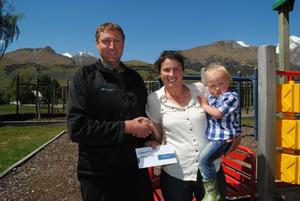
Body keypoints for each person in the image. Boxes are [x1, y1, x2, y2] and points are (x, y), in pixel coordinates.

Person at [66, 22, 154, 201]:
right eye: (106, 41)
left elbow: (143, 116)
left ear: (124, 44)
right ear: (97, 44)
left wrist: (150, 140)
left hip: (135, 172)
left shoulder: (135, 78)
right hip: (99, 174)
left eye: (117, 41)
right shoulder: (84, 77)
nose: (112, 46)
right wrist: (125, 127)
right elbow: (77, 128)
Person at [146, 50, 229, 201]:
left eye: (176, 69)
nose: (171, 74)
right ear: (160, 73)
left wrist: (232, 135)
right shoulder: (154, 99)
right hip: (176, 172)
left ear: (183, 71)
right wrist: (152, 143)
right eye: (166, 70)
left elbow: (222, 111)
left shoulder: (200, 89)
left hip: (210, 169)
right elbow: (157, 134)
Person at [198, 64, 241, 201]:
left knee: (204, 160)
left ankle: (211, 192)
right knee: (207, 160)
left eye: (221, 83)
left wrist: (204, 105)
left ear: (228, 81)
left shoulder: (231, 97)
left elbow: (217, 114)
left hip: (223, 139)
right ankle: (211, 191)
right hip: (216, 138)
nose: (217, 88)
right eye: (212, 85)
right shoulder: (213, 96)